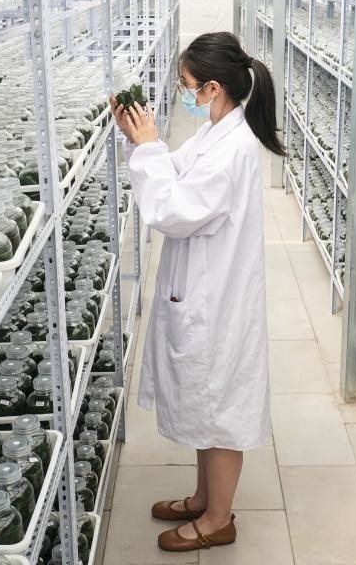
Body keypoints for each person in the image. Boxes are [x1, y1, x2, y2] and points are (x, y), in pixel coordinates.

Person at [110, 31, 285, 552]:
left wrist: (147, 149)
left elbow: (172, 210)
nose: (182, 91)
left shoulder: (232, 149)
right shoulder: (217, 132)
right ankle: (203, 499)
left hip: (218, 304)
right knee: (206, 406)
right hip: (206, 292)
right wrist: (139, 140)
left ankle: (218, 520)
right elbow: (174, 170)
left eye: (187, 84)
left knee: (219, 411)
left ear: (213, 87)